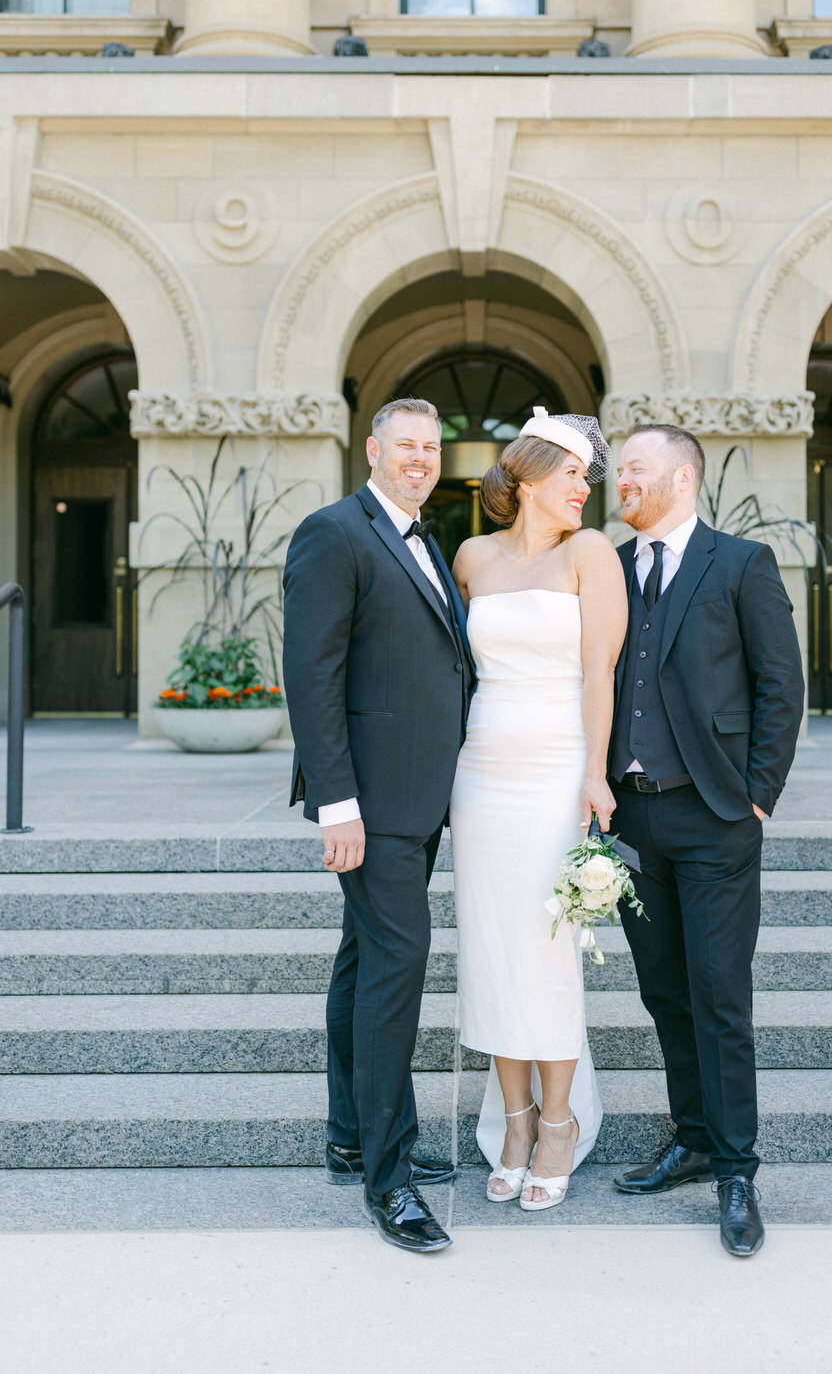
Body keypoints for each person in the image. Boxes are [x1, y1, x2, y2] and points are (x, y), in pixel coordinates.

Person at [282, 397, 475, 1255]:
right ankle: (388, 1179)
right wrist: (337, 803)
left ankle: (350, 1133)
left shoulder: (425, 538)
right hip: (370, 802)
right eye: (406, 445)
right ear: (372, 449)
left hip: (419, 796)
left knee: (364, 961)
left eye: (431, 447)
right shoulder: (334, 533)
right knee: (397, 968)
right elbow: (311, 675)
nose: (420, 458)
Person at [609, 423, 804, 1258]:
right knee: (663, 989)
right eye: (618, 470)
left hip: (716, 814)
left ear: (681, 478)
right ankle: (690, 1138)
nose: (621, 482)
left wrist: (755, 797)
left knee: (719, 994)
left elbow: (780, 685)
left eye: (635, 469)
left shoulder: (741, 564)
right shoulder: (608, 568)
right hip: (630, 819)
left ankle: (734, 1171)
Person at [450, 407, 628, 1211]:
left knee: (549, 950)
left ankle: (557, 1124)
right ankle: (513, 1123)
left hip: (558, 770)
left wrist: (594, 775)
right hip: (481, 770)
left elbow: (600, 674)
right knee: (490, 951)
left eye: (587, 479)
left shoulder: (589, 552)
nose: (583, 491)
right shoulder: (470, 557)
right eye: (570, 477)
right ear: (524, 481)